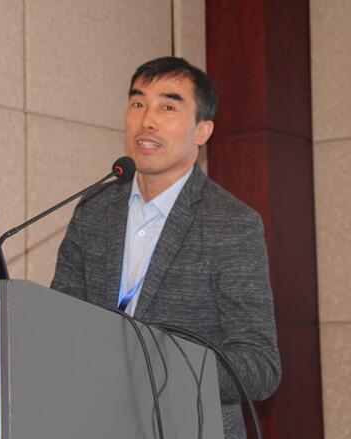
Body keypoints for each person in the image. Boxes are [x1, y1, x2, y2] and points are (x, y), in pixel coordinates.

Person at [51, 56, 280, 439]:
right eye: (138, 103)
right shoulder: (94, 209)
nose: (147, 120)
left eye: (168, 107)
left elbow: (260, 366)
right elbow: (59, 321)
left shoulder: (231, 223)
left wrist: (160, 367)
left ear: (202, 131)